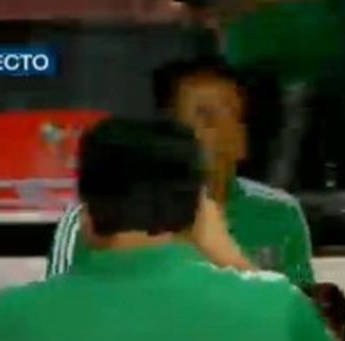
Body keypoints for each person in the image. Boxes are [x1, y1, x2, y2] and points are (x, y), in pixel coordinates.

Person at [0, 118, 344, 341]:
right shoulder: (274, 305)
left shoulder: (1, 319)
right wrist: (229, 254)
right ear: (199, 210)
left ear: (86, 212)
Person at [46, 58, 316, 287]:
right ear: (168, 134)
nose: (225, 130)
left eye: (234, 115)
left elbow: (301, 318)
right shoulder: (95, 216)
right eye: (206, 117)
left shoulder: (280, 213)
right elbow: (59, 310)